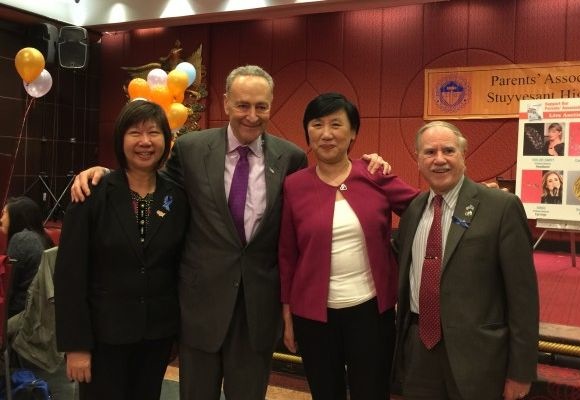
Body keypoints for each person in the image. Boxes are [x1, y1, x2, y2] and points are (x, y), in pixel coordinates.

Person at [69, 66, 390, 400]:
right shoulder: (191, 149)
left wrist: (370, 165)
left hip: (258, 312)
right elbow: (148, 179)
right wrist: (105, 173)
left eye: (261, 106)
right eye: (242, 105)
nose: (251, 115)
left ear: (270, 105)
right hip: (200, 307)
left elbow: (322, 189)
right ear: (225, 103)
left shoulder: (290, 157)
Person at [278, 93, 419, 399]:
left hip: (371, 312)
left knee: (372, 391)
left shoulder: (372, 174)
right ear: (308, 133)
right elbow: (287, 254)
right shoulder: (294, 185)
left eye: (336, 124)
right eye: (317, 125)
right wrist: (287, 314)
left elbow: (421, 206)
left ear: (353, 132)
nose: (326, 134)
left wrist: (477, 197)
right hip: (313, 317)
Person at [392, 121, 539, 400]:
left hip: (479, 357)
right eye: (429, 152)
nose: (439, 159)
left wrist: (521, 370)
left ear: (463, 155)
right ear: (418, 160)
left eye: (448, 150)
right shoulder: (413, 211)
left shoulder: (501, 207)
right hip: (420, 350)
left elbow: (523, 297)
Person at [54, 100, 189, 400]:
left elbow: (178, 266)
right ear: (120, 138)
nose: (145, 142)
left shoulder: (177, 197)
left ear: (166, 141)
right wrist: (76, 345)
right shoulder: (91, 192)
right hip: (103, 338)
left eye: (153, 133)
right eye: (134, 133)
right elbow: (69, 275)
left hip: (156, 335)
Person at [0, 196, 54, 318]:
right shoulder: (42, 238)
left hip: (23, 318)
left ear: (16, 217)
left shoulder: (21, 240)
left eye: (4, 214)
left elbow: (8, 289)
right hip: (41, 314)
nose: (1, 219)